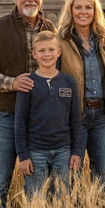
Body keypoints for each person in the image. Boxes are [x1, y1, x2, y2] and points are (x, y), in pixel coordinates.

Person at [0, 0, 56, 208]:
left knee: (38, 182)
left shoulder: (50, 28)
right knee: (0, 179)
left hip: (40, 119)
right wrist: (11, 83)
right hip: (6, 116)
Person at [56, 0, 105, 192]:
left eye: (88, 7)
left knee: (102, 179)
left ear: (95, 10)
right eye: (78, 7)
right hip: (75, 118)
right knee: (74, 180)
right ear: (70, 10)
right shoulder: (61, 41)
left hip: (102, 118)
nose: (83, 12)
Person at [14, 30, 84, 200]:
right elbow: (20, 121)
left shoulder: (68, 82)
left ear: (59, 52)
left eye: (51, 50)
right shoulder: (28, 83)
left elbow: (76, 120)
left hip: (63, 151)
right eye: (42, 51)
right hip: (35, 152)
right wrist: (23, 156)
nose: (47, 54)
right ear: (34, 54)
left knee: (62, 199)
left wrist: (77, 151)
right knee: (36, 198)